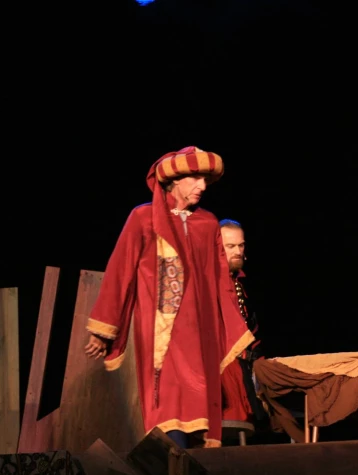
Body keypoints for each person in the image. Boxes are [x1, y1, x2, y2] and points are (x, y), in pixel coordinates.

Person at [84, 146, 255, 449]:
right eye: (195, 179)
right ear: (175, 180)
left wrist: (232, 328)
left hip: (199, 330)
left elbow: (220, 280)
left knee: (202, 399)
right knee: (168, 400)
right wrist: (103, 329)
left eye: (205, 180)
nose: (202, 187)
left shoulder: (207, 223)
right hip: (161, 330)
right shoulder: (144, 217)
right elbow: (120, 272)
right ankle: (173, 467)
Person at [218, 218, 272, 437]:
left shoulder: (239, 283)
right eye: (230, 246)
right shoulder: (208, 282)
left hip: (247, 368)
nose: (238, 251)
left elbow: (253, 330)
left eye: (241, 245)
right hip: (223, 372)